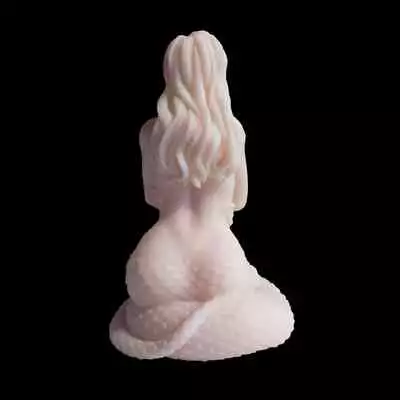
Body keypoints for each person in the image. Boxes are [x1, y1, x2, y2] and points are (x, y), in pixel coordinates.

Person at [110, 31, 293, 360]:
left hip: (159, 255)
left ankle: (162, 330)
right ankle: (210, 322)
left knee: (141, 314)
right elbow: (239, 198)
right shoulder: (233, 135)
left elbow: (151, 195)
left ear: (169, 72)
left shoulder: (151, 136)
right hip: (218, 252)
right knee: (267, 313)